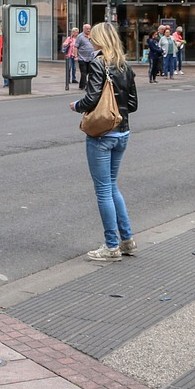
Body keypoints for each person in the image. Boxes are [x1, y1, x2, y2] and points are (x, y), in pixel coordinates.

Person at [70, 21, 138, 261]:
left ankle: (111, 246)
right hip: (123, 133)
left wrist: (76, 105)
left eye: (93, 37)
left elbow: (90, 99)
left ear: (100, 39)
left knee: (103, 191)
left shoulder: (99, 64)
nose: (90, 40)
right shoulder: (125, 66)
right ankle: (127, 240)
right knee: (112, 186)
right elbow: (132, 105)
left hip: (102, 135)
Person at [74, 23, 97, 89]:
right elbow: (76, 47)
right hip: (82, 58)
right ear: (83, 29)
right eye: (87, 29)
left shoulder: (92, 36)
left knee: (90, 72)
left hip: (91, 58)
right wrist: (75, 56)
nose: (88, 30)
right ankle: (83, 86)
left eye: (89, 29)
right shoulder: (80, 36)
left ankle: (88, 85)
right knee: (84, 73)